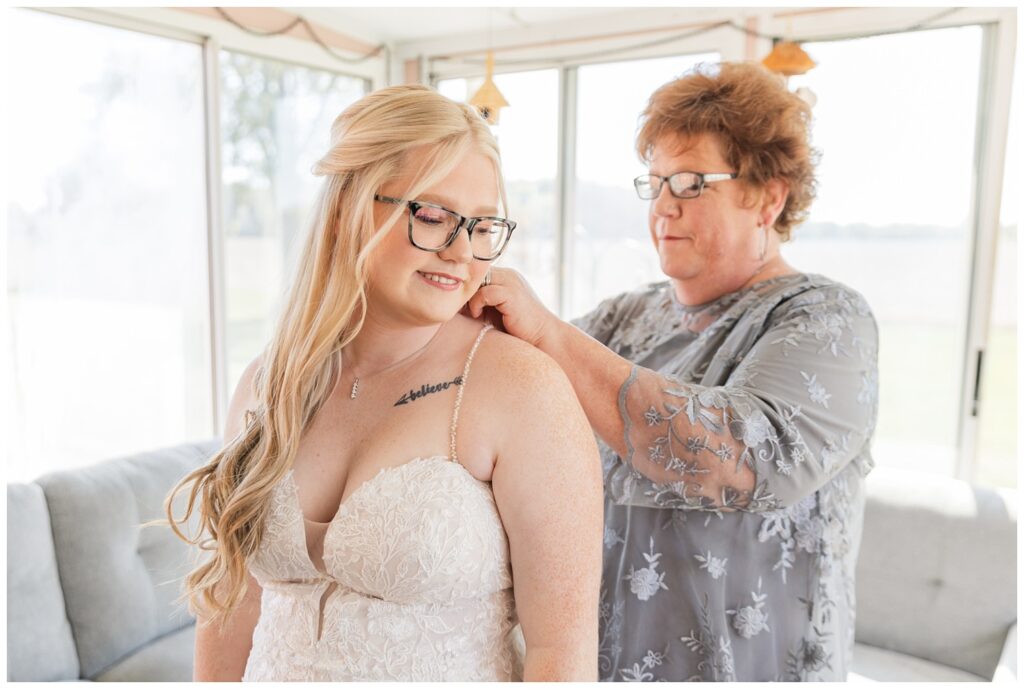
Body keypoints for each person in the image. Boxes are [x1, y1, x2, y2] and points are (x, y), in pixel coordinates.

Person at [163, 85, 603, 681]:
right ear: (348, 207)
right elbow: (230, 608)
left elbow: (563, 655)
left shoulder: (521, 388)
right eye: (432, 215)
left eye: (481, 225)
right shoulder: (269, 381)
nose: (460, 252)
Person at [467, 61, 879, 681]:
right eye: (653, 182)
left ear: (768, 196)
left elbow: (739, 460)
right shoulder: (623, 318)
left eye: (690, 183)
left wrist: (548, 332)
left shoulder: (826, 319)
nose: (661, 206)